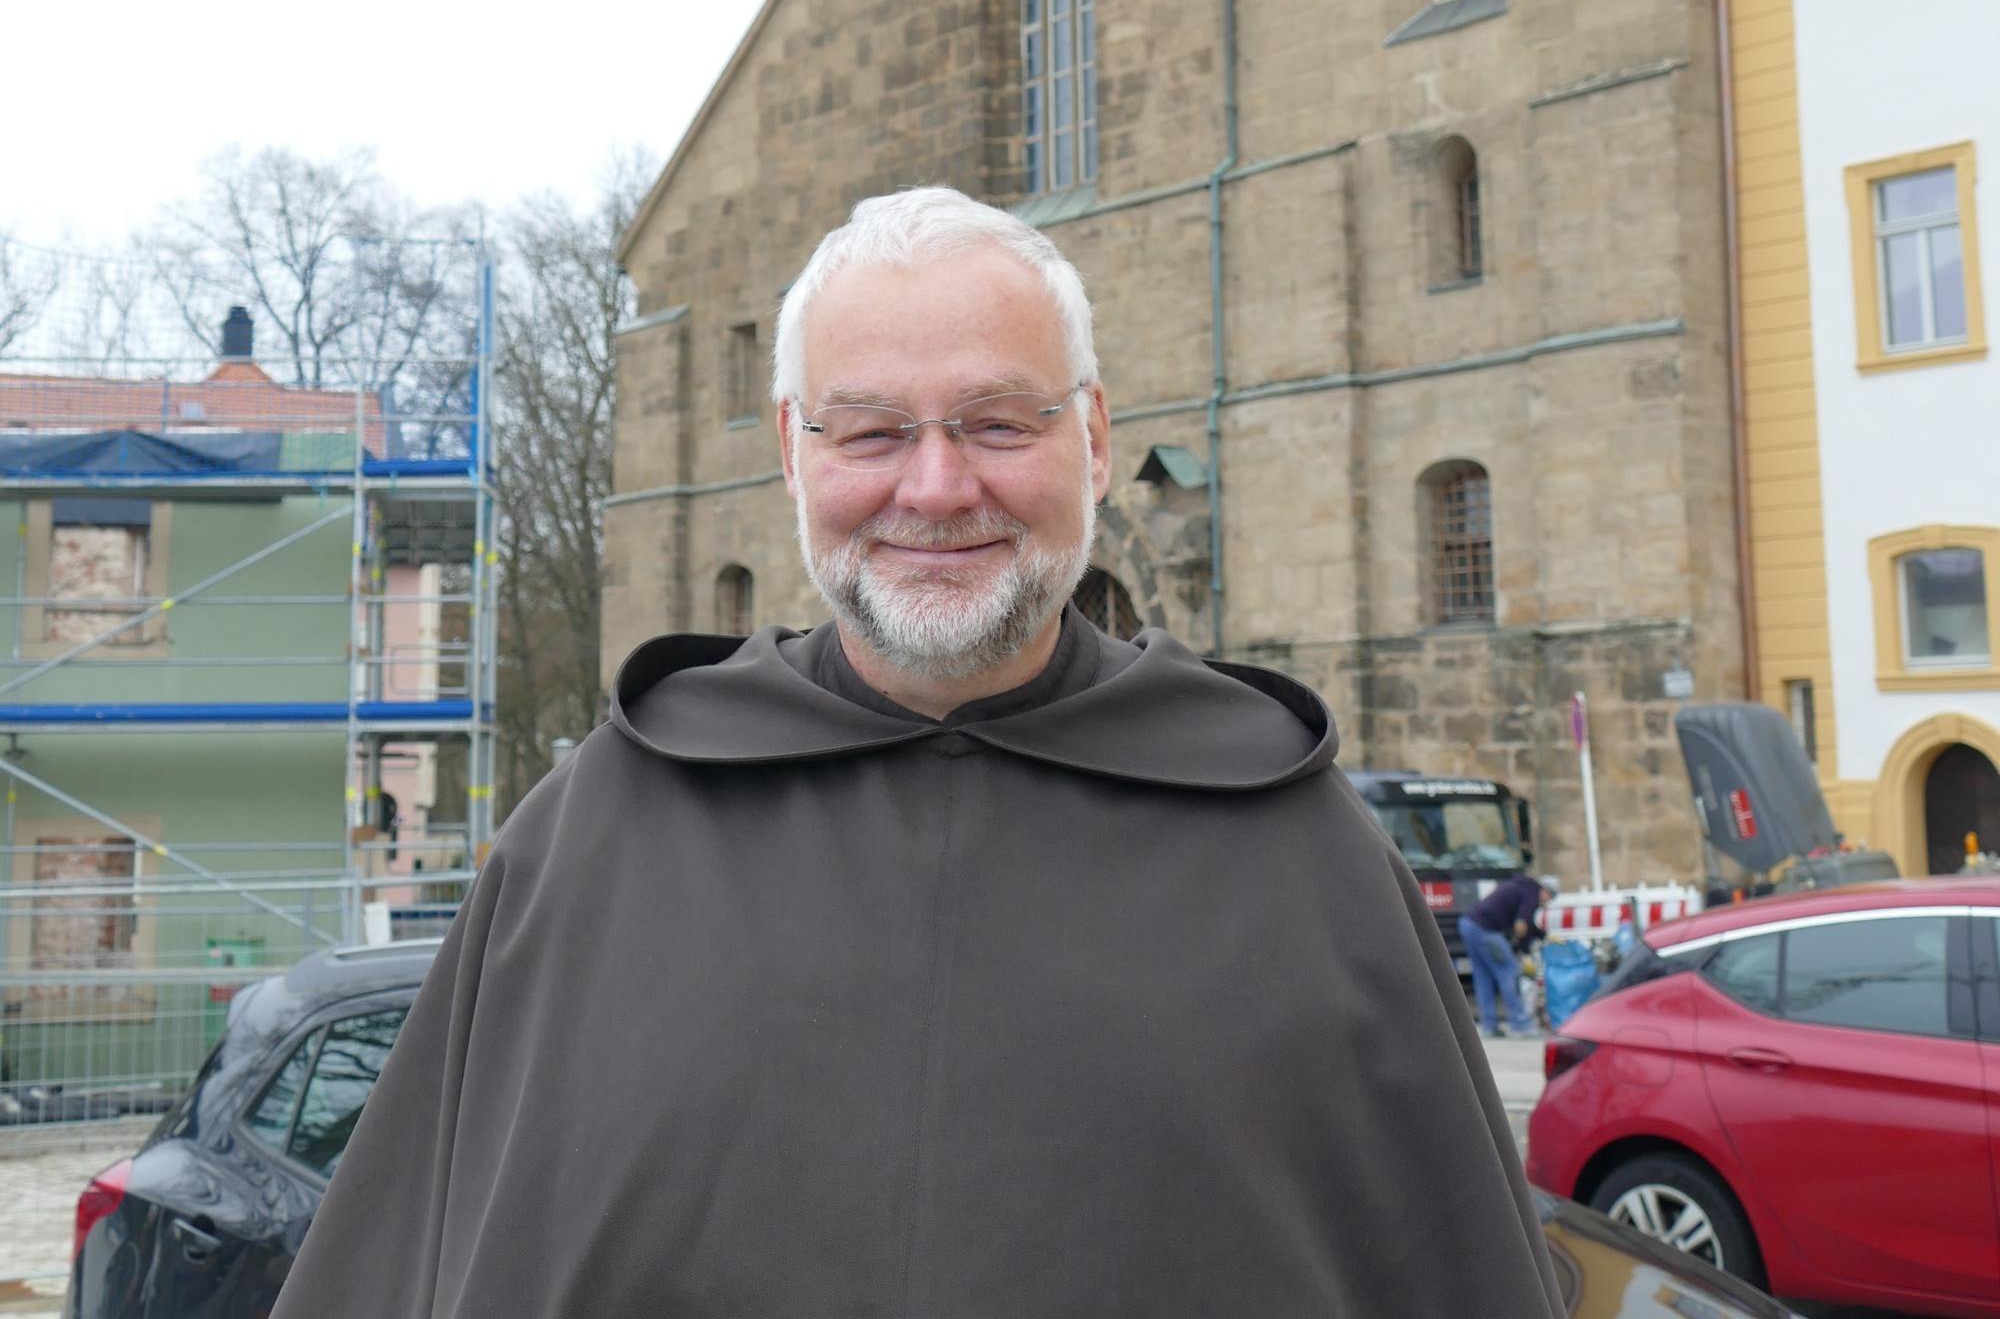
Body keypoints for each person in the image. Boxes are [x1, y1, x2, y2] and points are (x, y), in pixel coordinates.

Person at [273, 187, 1562, 1318]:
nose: (937, 487)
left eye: (1000, 421)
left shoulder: (1294, 844)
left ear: (1096, 441)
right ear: (792, 452)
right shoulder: (599, 832)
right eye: (871, 429)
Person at [1463, 870, 1563, 1038]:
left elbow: (1526, 924)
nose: (1546, 903)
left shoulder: (1521, 887)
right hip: (1486, 930)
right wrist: (1524, 950)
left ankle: (1489, 1026)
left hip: (1468, 924)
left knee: (1484, 977)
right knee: (1508, 972)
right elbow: (1521, 926)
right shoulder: (1532, 892)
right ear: (1545, 891)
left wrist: (1542, 935)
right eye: (1549, 898)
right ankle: (1520, 1025)